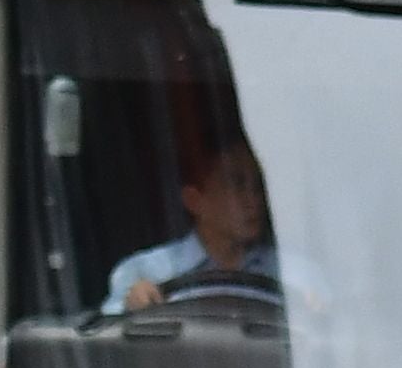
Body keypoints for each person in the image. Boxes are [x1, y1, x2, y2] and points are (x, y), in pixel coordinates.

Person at [108, 132, 283, 316]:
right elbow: (102, 331)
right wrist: (131, 307)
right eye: (236, 184)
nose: (254, 199)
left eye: (257, 186)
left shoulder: (289, 272)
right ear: (194, 200)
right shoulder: (144, 272)